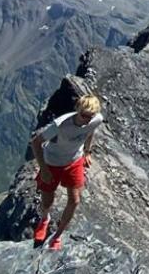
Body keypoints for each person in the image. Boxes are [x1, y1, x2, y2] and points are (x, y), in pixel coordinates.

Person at [30, 94, 104, 250]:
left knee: (75, 200)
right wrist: (43, 169)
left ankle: (57, 236)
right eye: (84, 115)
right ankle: (44, 219)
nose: (87, 120)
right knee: (47, 200)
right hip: (52, 162)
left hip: (74, 161)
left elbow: (90, 130)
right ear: (77, 109)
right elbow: (36, 143)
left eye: (91, 116)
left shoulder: (96, 119)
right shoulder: (60, 124)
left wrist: (87, 151)